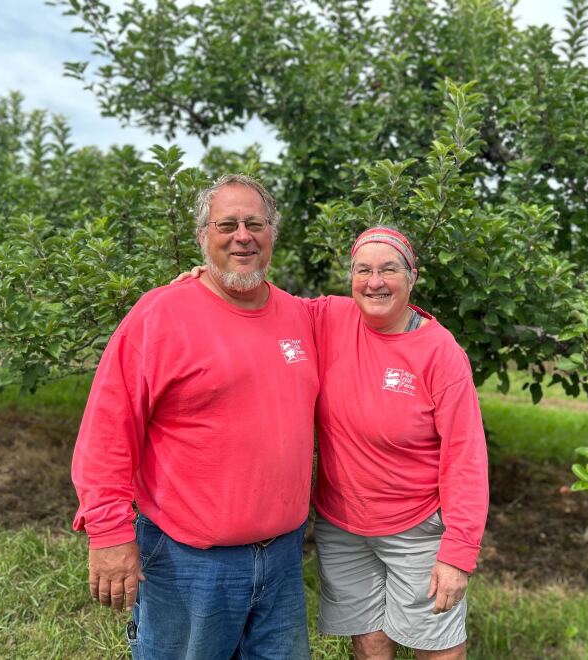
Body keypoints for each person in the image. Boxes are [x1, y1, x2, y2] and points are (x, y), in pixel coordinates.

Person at [175, 226, 489, 658]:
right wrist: (213, 279)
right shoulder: (330, 318)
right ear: (351, 277)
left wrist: (458, 552)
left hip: (415, 525)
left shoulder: (440, 353)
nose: (375, 281)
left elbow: (466, 458)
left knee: (436, 642)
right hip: (343, 524)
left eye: (389, 269)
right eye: (364, 270)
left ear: (413, 276)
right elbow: (263, 301)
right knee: (367, 638)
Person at [71, 174, 319, 660]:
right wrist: (109, 532)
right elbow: (107, 431)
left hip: (283, 558)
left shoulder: (302, 315)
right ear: (203, 236)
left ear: (273, 233)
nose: (242, 235)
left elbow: (380, 311)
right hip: (189, 562)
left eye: (255, 223)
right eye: (227, 224)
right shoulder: (160, 315)